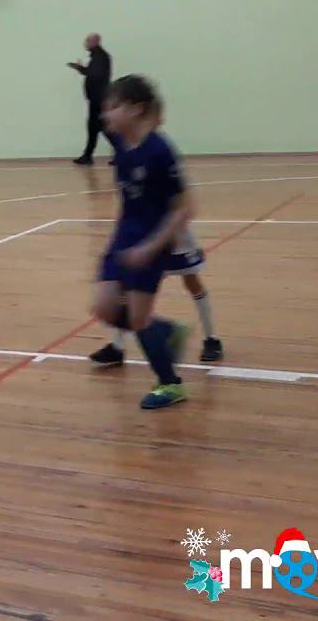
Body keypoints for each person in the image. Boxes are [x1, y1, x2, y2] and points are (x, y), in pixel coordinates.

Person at [90, 75, 192, 410]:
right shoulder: (121, 143)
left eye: (113, 107)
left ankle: (170, 384)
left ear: (135, 110)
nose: (106, 114)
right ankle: (166, 332)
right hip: (124, 235)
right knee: (104, 308)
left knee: (137, 319)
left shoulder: (160, 151)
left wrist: (151, 247)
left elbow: (185, 208)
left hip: (152, 241)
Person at [91, 227, 224, 366]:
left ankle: (211, 338)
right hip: (149, 239)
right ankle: (117, 347)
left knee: (192, 283)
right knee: (127, 288)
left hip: (176, 241)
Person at [68, 33, 114, 166]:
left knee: (98, 126)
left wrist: (82, 69)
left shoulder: (101, 57)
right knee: (98, 127)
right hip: (97, 97)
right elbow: (93, 73)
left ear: (95, 42)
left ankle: (88, 156)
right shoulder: (98, 57)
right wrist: (80, 69)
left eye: (88, 41)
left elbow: (96, 75)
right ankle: (88, 156)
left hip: (98, 98)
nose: (85, 43)